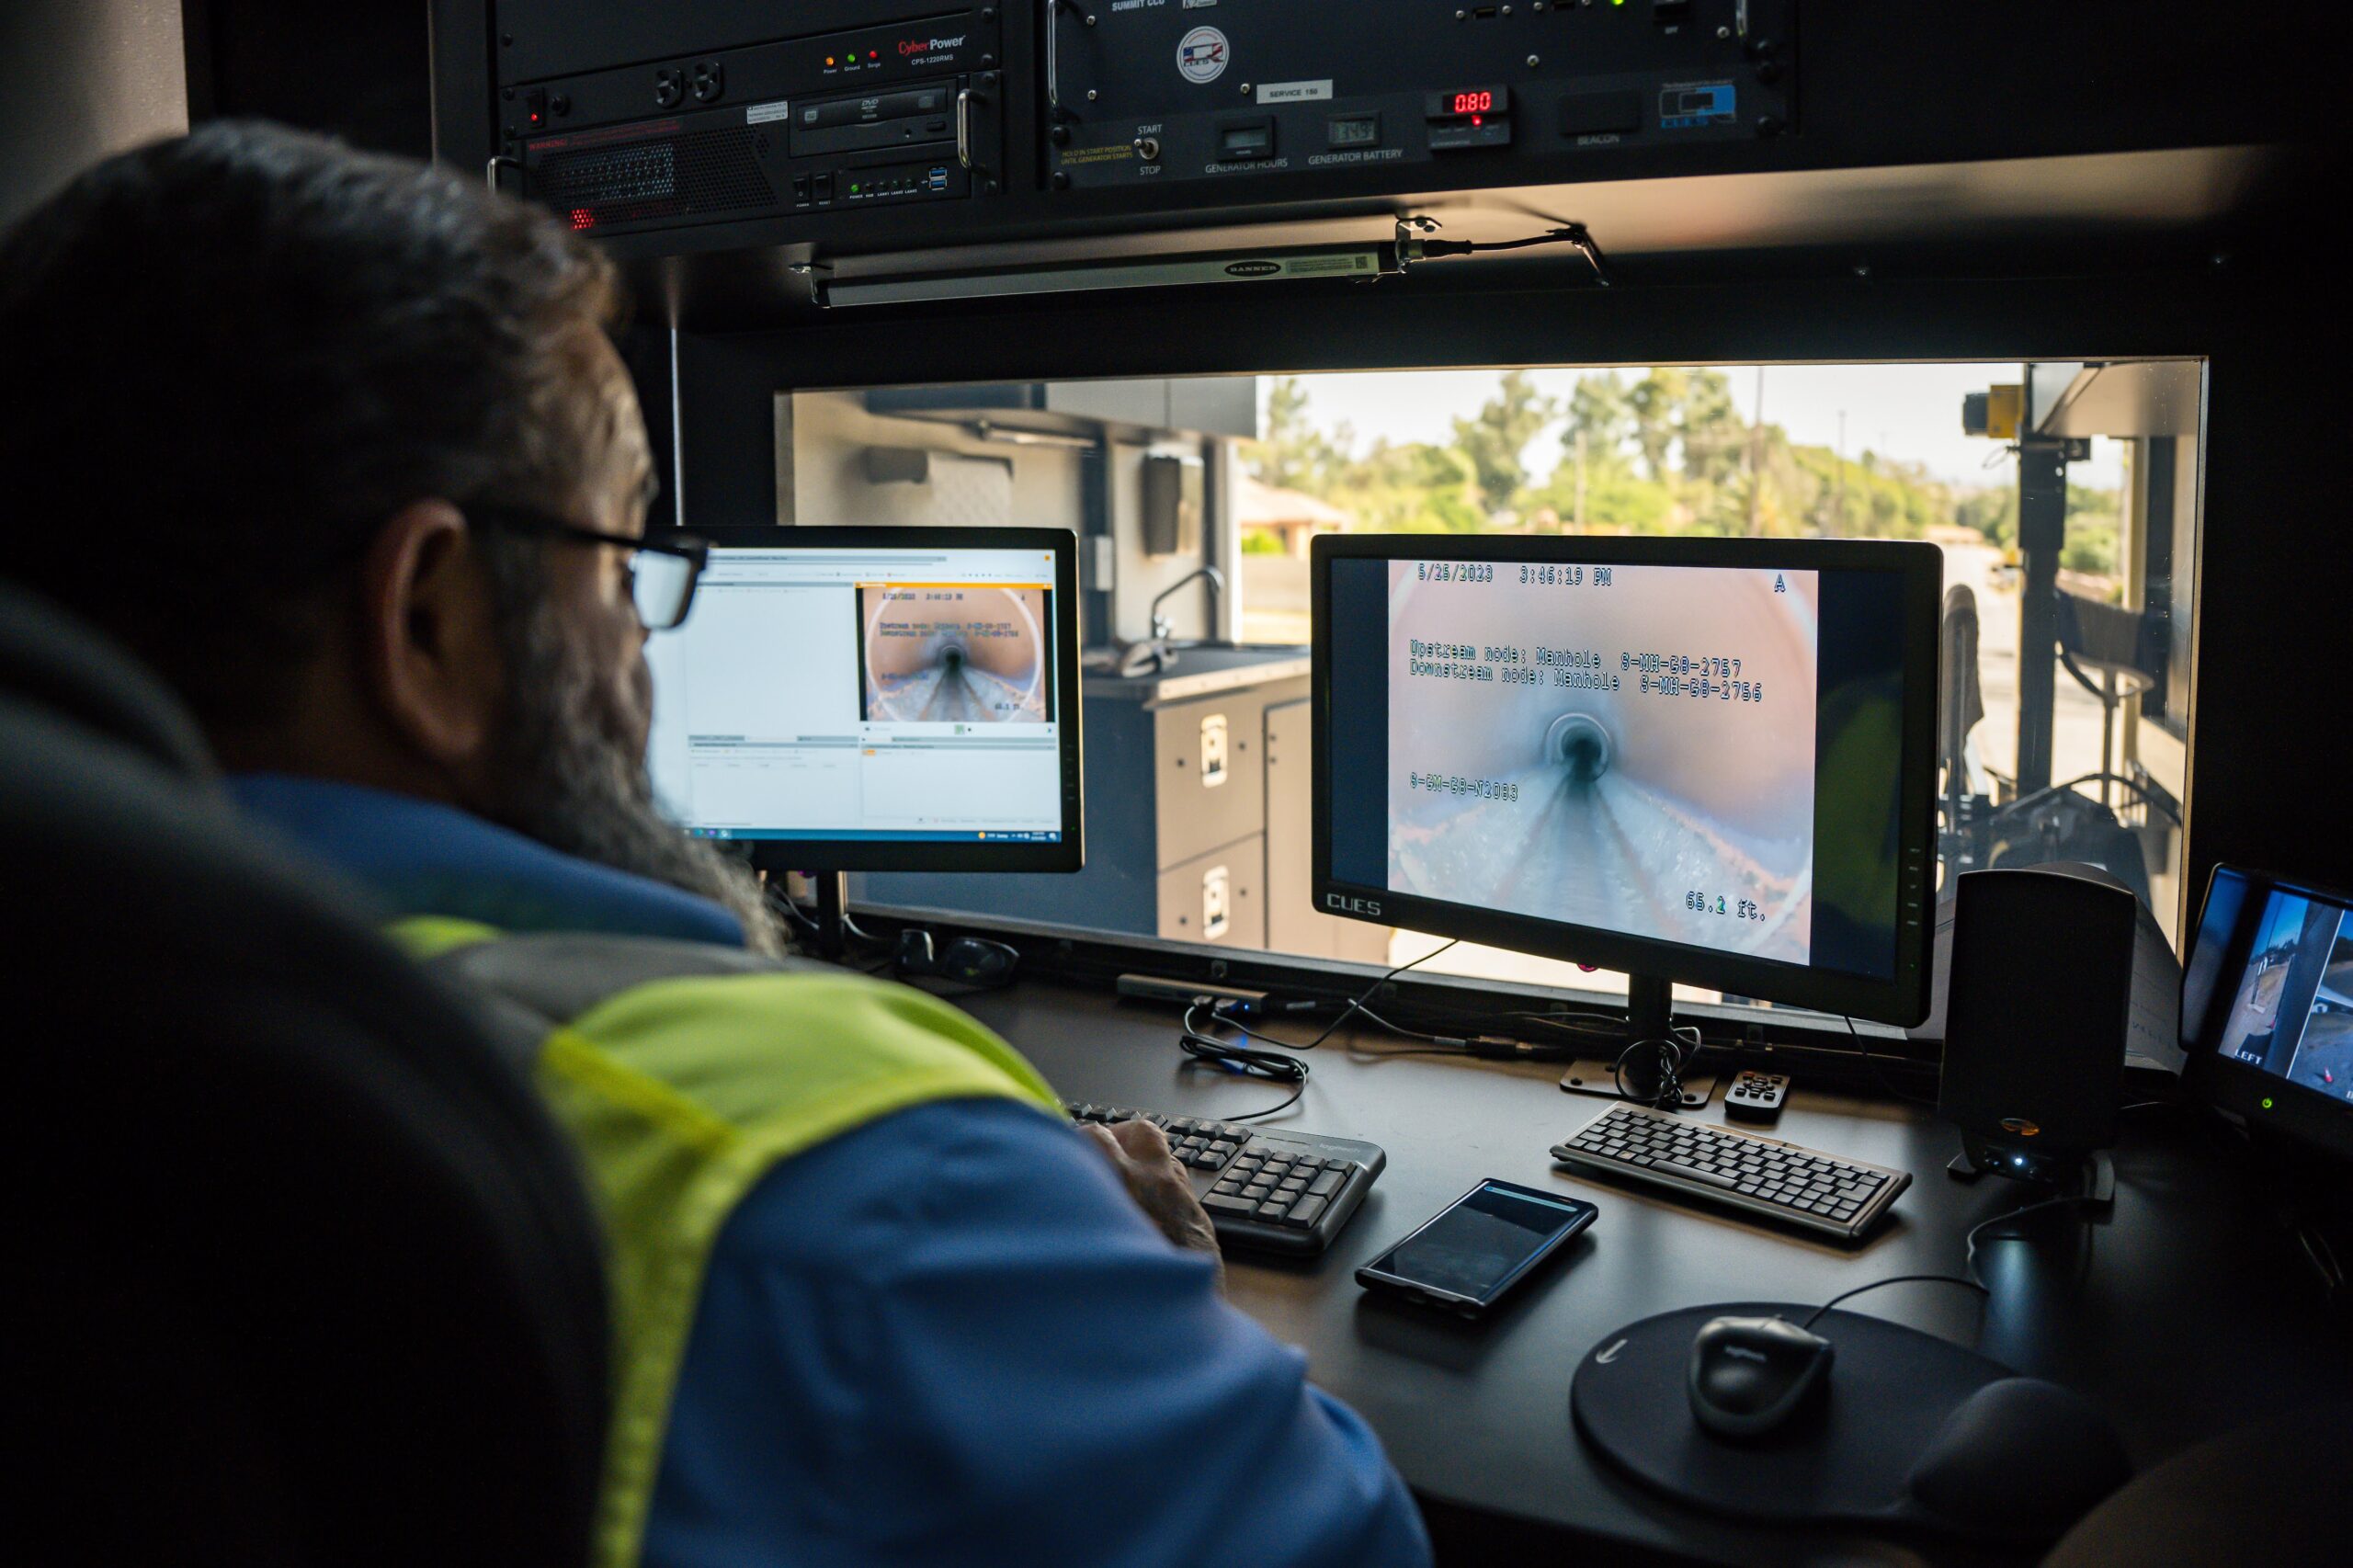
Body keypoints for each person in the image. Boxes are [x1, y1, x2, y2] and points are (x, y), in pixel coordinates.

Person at [0, 123, 1430, 1568]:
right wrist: (1143, 1288)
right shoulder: (872, 1168)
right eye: (621, 560)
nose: (638, 642)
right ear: (428, 619)